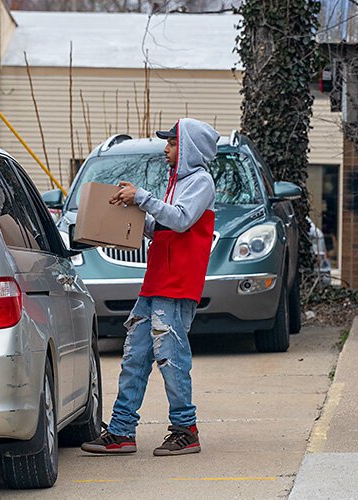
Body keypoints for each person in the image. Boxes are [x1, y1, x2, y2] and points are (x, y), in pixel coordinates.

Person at [82, 118, 218, 456]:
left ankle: (186, 429)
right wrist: (135, 216)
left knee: (171, 357)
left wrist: (142, 198)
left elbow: (182, 219)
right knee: (134, 356)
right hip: (157, 282)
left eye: (172, 143)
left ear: (188, 148)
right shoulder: (177, 182)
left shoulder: (200, 182)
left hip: (176, 285)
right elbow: (164, 226)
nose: (166, 149)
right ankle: (122, 431)